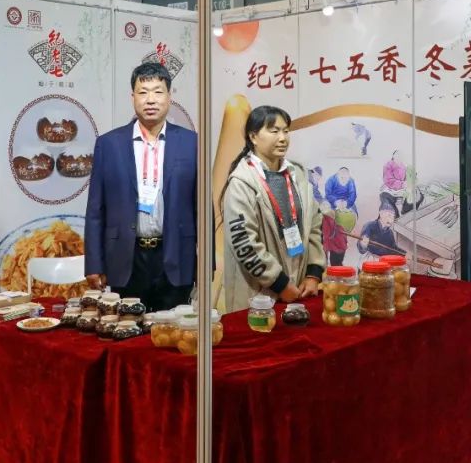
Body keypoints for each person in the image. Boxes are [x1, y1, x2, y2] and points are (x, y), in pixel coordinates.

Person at [84, 62, 197, 312]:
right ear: (132, 97)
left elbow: (201, 207)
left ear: (169, 96)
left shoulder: (191, 143)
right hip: (126, 258)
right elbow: (95, 209)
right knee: (128, 327)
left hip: (176, 255)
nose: (150, 100)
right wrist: (94, 263)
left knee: (172, 329)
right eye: (143, 92)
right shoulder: (109, 144)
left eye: (158, 92)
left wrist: (206, 264)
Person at [220, 106, 325, 313]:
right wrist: (280, 284)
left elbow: (314, 226)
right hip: (257, 295)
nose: (282, 138)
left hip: (299, 290)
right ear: (253, 137)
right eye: (274, 131)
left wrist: (313, 274)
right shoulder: (242, 182)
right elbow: (244, 241)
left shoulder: (298, 175)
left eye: (286, 131)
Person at [320, 200, 348, 267]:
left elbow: (326, 237)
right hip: (336, 242)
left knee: (335, 265)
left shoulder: (327, 219)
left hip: (338, 243)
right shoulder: (324, 220)